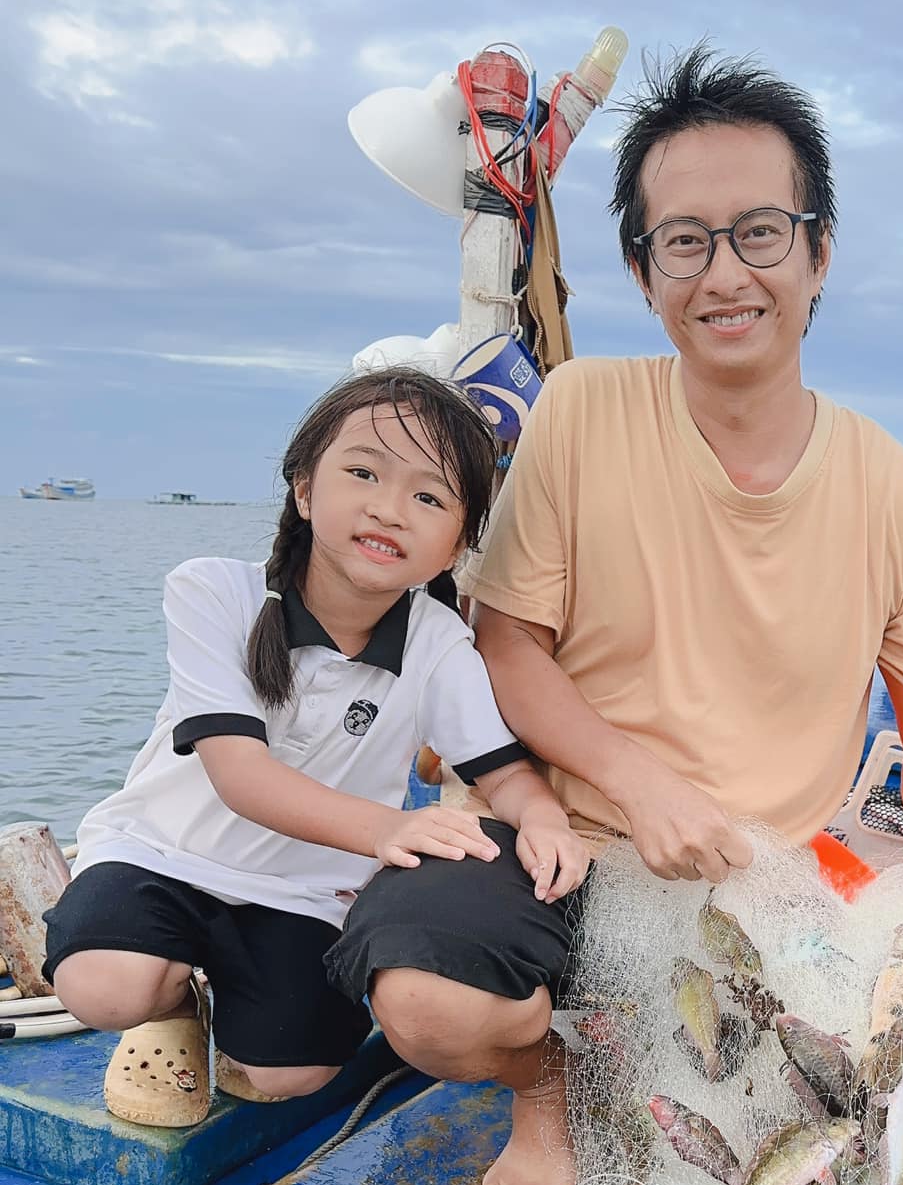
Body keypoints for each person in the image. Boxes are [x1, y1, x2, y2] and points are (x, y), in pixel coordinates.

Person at [331, 45, 903, 1185]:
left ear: (820, 251)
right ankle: (549, 1087)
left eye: (761, 233)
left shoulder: (902, 495)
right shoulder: (580, 413)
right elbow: (506, 641)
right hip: (563, 844)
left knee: (878, 1155)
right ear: (643, 268)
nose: (725, 272)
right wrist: (636, 784)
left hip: (763, 890)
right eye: (685, 241)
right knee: (423, 1001)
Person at [44, 370, 589, 1130]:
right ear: (303, 488)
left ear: (458, 545)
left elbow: (498, 768)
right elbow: (241, 777)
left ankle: (232, 1011)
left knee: (291, 1072)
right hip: (162, 857)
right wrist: (386, 829)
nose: (388, 508)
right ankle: (168, 1003)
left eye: (428, 497)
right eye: (362, 472)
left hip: (300, 892)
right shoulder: (213, 593)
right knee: (105, 985)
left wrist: (543, 818)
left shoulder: (438, 642)